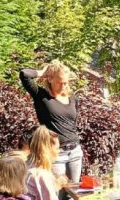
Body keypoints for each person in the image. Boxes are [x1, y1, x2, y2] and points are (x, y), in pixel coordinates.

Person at [20, 62, 83, 192]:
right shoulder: (41, 95)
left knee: (74, 193)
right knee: (56, 193)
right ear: (50, 79)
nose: (64, 86)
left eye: (66, 82)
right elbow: (24, 74)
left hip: (75, 151)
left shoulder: (73, 99)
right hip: (55, 153)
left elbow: (72, 123)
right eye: (60, 82)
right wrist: (42, 72)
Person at [26, 126, 95, 200]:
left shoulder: (28, 166)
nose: (59, 151)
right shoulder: (40, 175)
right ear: (47, 149)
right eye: (57, 148)